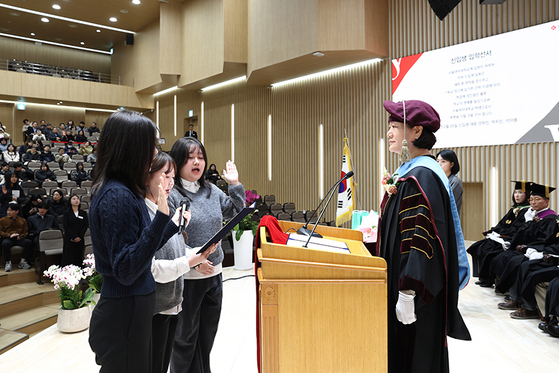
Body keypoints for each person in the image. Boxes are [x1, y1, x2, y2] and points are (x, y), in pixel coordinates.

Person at [88, 110, 186, 373]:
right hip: (124, 312)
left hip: (130, 309)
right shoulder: (117, 195)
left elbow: (140, 247)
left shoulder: (124, 190)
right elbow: (127, 268)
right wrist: (161, 219)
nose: (155, 153)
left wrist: (168, 224)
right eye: (150, 145)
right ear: (131, 148)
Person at [377, 100, 470, 373]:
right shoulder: (411, 173)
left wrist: (407, 291)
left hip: (417, 292)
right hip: (402, 281)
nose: (389, 132)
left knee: (414, 355)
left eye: (394, 126)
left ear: (416, 131)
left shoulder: (423, 177)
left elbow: (419, 239)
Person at [168, 137, 245, 373]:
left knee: (207, 334)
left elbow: (236, 212)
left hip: (215, 273)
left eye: (200, 157)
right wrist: (194, 260)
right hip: (189, 277)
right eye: (190, 157)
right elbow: (170, 236)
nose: (196, 162)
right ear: (178, 161)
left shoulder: (211, 190)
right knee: (184, 339)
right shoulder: (171, 194)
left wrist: (234, 185)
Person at [145, 152, 216, 373]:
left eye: (172, 177)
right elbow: (152, 267)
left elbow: (171, 248)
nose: (170, 182)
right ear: (146, 176)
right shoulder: (143, 212)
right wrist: (190, 261)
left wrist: (197, 253)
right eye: (165, 175)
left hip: (173, 303)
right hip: (155, 307)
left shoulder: (161, 209)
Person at [467, 181, 530, 286]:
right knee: (478, 247)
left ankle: (489, 279)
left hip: (509, 240)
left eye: (520, 192)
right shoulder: (514, 209)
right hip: (500, 237)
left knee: (488, 251)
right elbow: (502, 223)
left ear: (527, 195)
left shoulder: (527, 211)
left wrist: (502, 234)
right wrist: (492, 230)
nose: (517, 195)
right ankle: (483, 276)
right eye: (515, 192)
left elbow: (516, 229)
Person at [0, 203, 33, 272]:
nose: (9, 212)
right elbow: (1, 231)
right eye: (8, 210)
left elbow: (25, 231)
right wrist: (9, 235)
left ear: (17, 211)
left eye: (11, 211)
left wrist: (22, 236)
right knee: (5, 243)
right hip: (9, 238)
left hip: (19, 238)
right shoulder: (2, 220)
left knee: (28, 242)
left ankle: (23, 261)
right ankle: (8, 262)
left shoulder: (22, 220)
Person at [60, 194, 88, 266]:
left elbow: (85, 225)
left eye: (77, 199)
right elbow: (66, 226)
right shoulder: (67, 213)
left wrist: (80, 236)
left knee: (79, 256)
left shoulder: (83, 213)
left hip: (80, 238)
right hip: (69, 238)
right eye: (74, 199)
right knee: (69, 257)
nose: (76, 200)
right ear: (70, 202)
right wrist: (74, 236)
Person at [436, 149, 463, 215]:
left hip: (448, 221)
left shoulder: (455, 182)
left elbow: (447, 204)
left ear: (451, 164)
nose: (439, 164)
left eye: (443, 161)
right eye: (437, 161)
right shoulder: (438, 180)